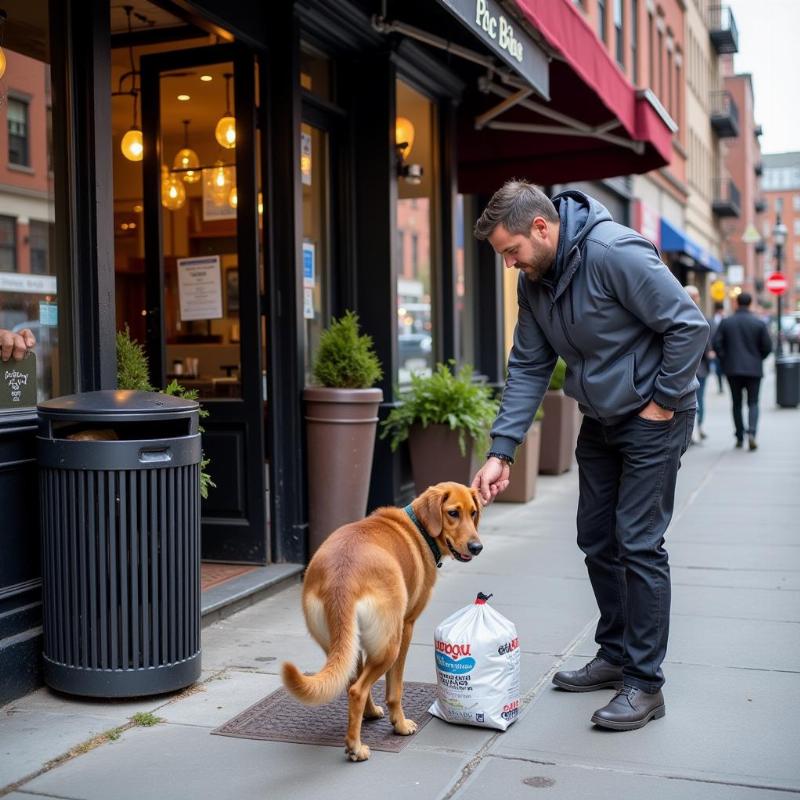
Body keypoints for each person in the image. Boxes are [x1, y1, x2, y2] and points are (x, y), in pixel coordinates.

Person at [470, 181, 708, 731]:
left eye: (512, 251)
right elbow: (529, 365)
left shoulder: (612, 252)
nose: (509, 264)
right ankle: (616, 653)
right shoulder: (535, 282)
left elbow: (688, 327)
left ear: (541, 227)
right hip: (600, 420)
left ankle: (645, 685)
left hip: (653, 417)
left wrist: (663, 403)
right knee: (597, 539)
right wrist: (502, 451)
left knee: (639, 543)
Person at [712, 292, 772, 451]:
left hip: (733, 369)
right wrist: (758, 359)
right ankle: (752, 432)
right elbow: (768, 347)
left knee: (736, 403)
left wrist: (725, 359)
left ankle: (739, 436)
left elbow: (716, 344)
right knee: (753, 402)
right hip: (754, 369)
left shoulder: (726, 322)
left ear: (736, 303)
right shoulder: (759, 323)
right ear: (751, 303)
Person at [683, 285, 711, 442]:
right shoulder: (696, 315)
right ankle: (694, 430)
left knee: (693, 400)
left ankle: (695, 429)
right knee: (697, 400)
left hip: (693, 368)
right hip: (696, 368)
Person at [709, 302, 725, 393]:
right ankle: (720, 386)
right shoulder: (711, 321)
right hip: (715, 350)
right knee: (718, 370)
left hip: (724, 350)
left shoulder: (726, 319)